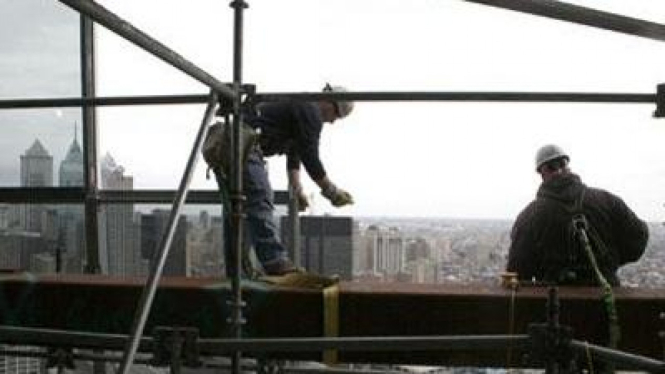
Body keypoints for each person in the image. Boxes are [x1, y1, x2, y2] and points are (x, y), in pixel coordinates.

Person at [223, 83, 355, 277]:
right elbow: (310, 156)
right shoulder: (310, 110)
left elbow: (295, 153)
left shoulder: (301, 107)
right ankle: (275, 261)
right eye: (337, 115)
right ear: (329, 102)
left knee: (237, 208)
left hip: (232, 142)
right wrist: (331, 191)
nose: (333, 121)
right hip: (243, 143)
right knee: (261, 195)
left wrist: (297, 188)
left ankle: (235, 271)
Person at [506, 144, 648, 286]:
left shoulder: (530, 215)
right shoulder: (606, 200)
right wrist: (607, 262)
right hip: (606, 297)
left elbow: (518, 270)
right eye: (552, 166)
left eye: (560, 164)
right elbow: (638, 239)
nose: (558, 170)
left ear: (542, 174)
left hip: (556, 302)